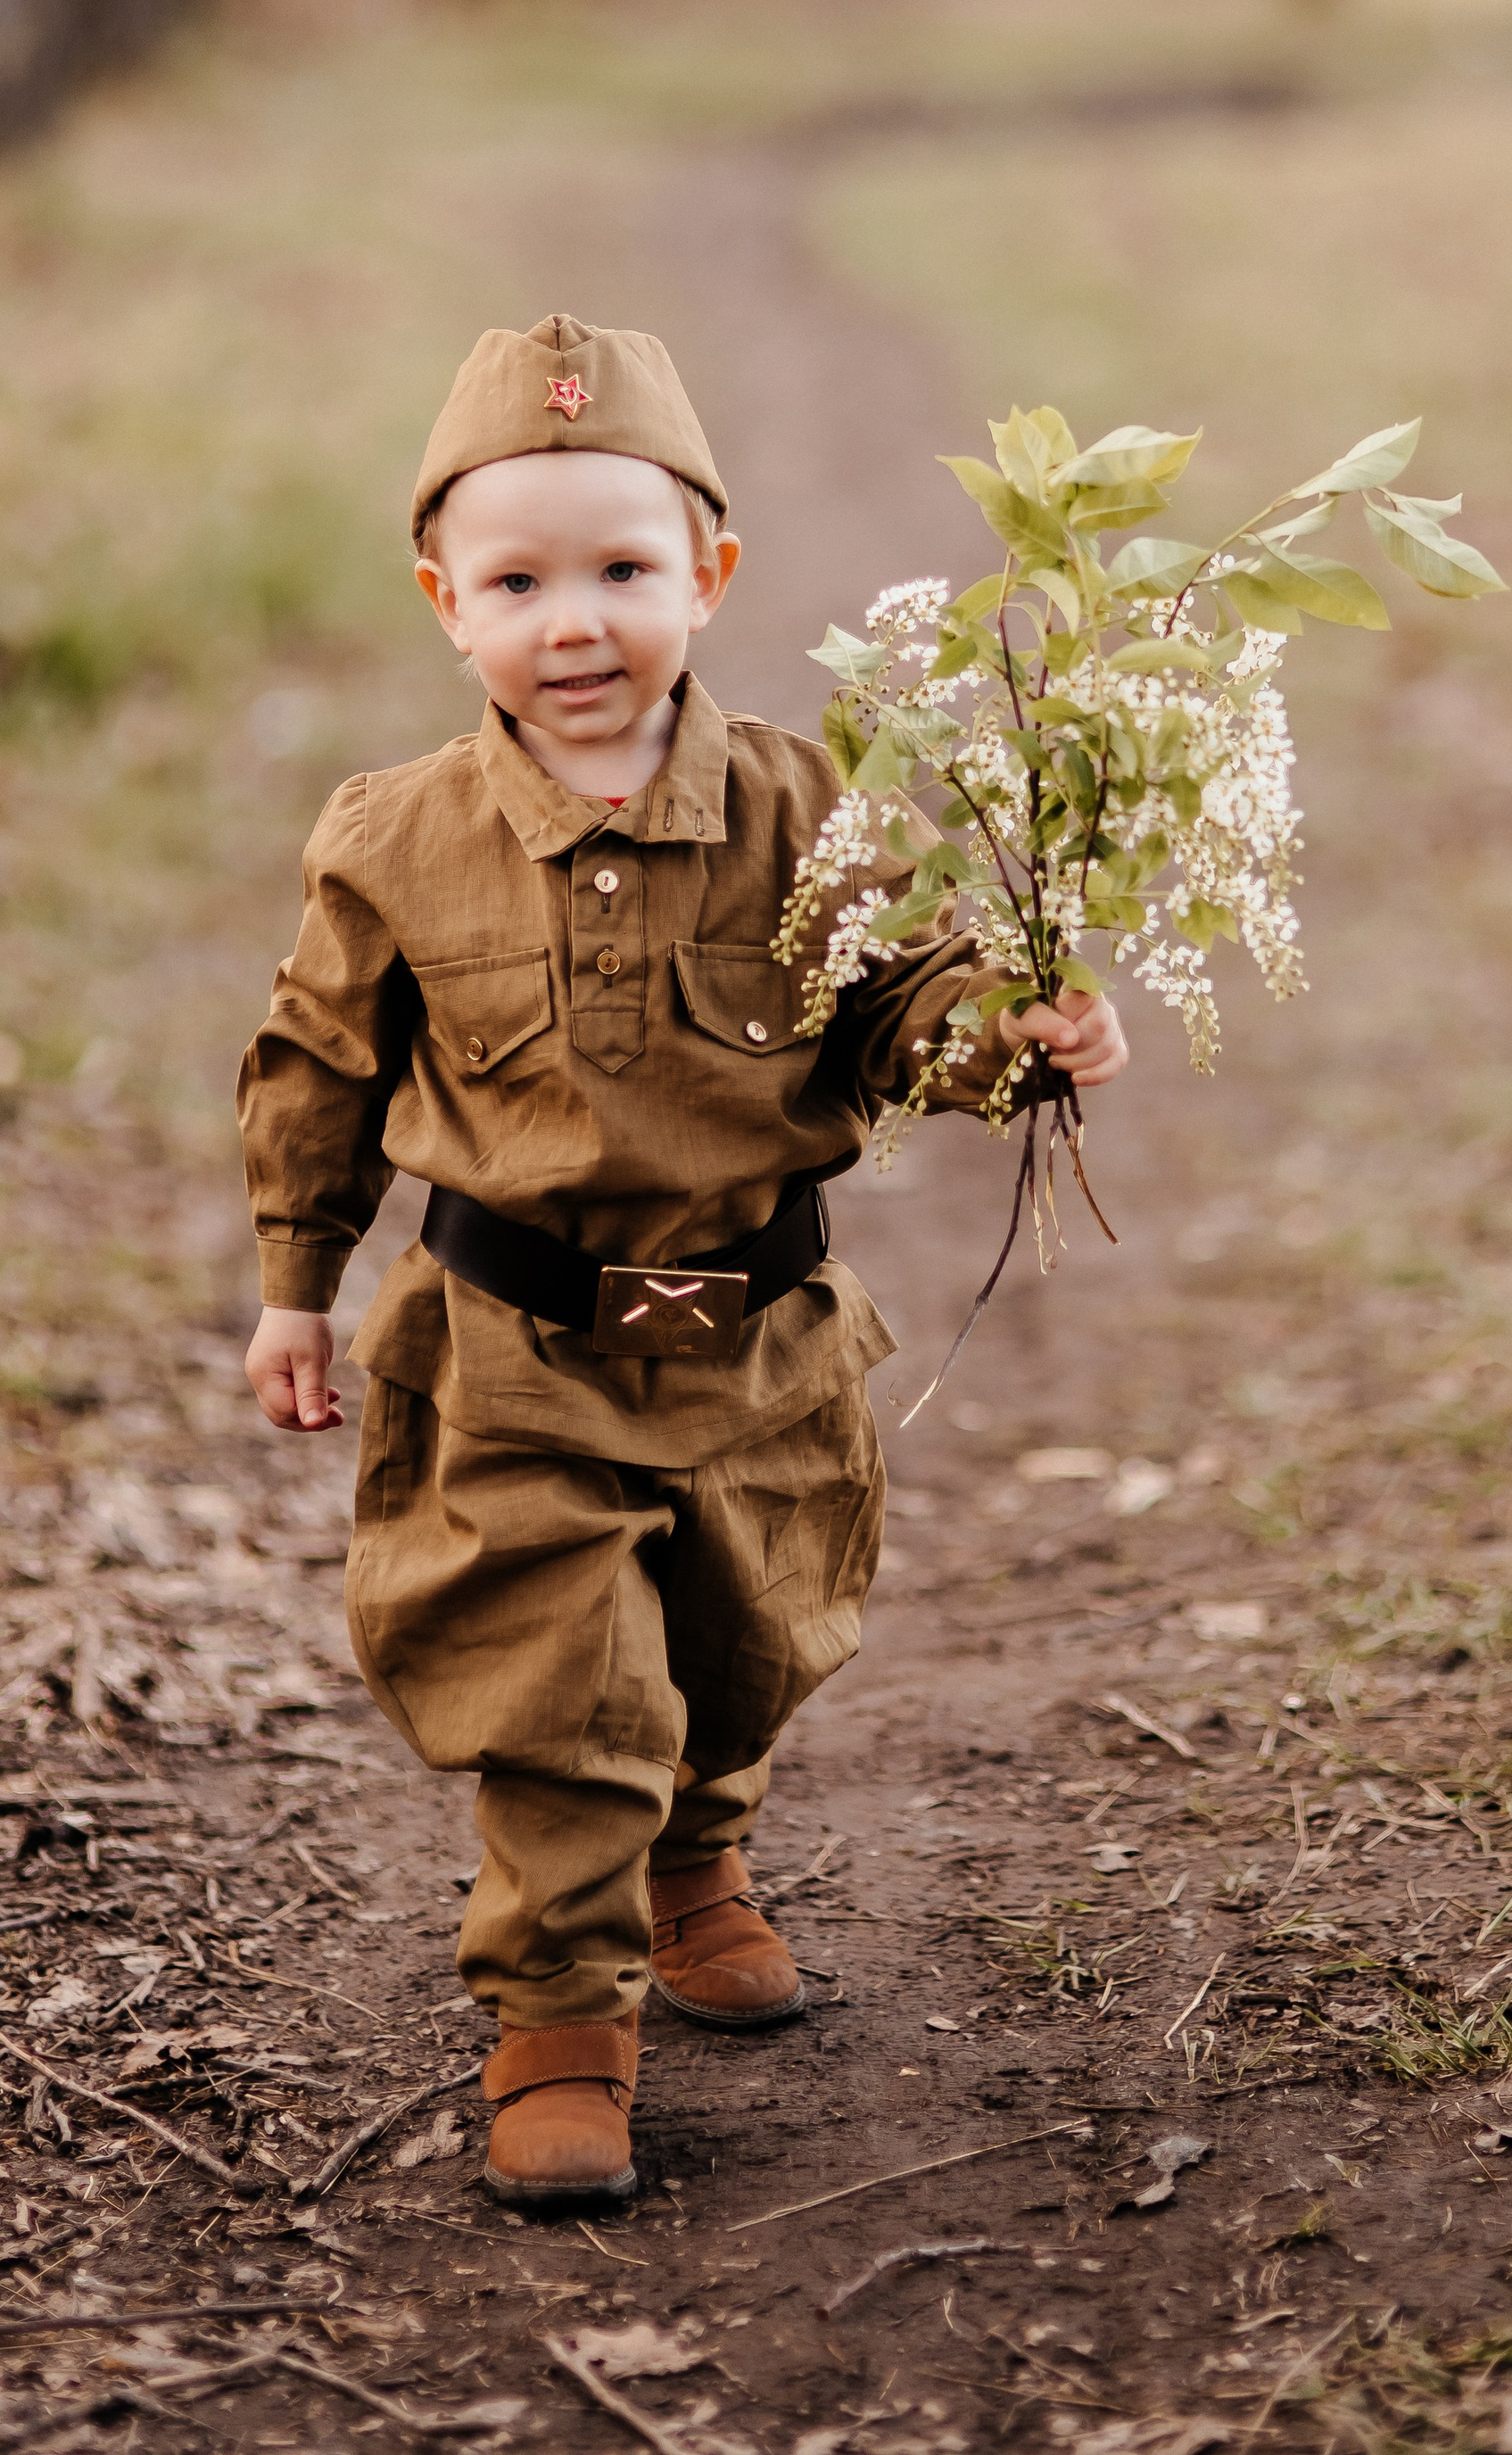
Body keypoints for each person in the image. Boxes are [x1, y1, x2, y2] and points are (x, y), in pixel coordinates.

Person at [236, 313, 1127, 2215]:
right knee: (561, 1690)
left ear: (708, 576)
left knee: (742, 1645)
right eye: (520, 580)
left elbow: (898, 1007)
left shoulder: (816, 808)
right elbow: (319, 1061)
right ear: (443, 602)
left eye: (624, 570)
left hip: (758, 1344)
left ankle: (696, 1856)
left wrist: (1011, 1038)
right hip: (509, 1351)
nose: (576, 621)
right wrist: (293, 1282)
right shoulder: (395, 838)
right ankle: (558, 2012)